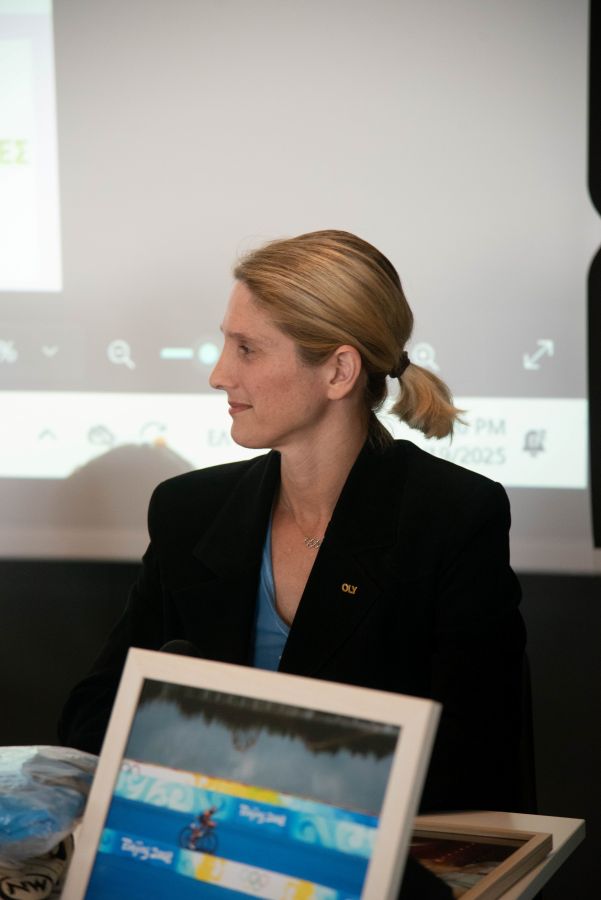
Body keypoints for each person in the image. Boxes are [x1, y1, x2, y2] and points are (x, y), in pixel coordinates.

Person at [59, 229, 526, 819]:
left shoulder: (451, 517)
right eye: (224, 344)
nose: (219, 374)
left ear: (339, 372)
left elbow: (477, 763)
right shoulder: (190, 510)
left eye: (247, 349)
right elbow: (92, 718)